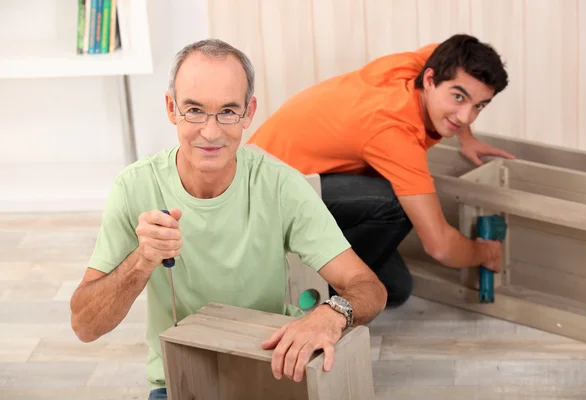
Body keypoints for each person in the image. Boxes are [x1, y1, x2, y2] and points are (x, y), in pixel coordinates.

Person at [69, 39, 387, 399]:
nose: (211, 131)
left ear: (249, 113)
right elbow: (85, 326)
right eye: (194, 110)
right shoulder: (134, 186)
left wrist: (332, 313)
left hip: (271, 369)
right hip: (180, 378)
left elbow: (369, 288)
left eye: (228, 111)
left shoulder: (280, 185)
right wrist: (142, 260)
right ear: (171, 108)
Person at [247, 34, 514, 307]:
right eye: (458, 98)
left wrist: (466, 138)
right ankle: (301, 291)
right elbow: (440, 247)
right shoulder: (393, 130)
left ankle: (326, 269)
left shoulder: (432, 63)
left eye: (479, 106)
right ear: (431, 79)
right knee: (394, 205)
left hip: (296, 176)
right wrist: (484, 253)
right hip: (264, 196)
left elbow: (465, 88)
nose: (466, 116)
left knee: (396, 289)